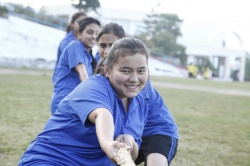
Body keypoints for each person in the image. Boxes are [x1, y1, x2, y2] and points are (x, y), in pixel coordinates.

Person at [18, 38, 149, 166]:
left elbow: (132, 155)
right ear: (108, 70)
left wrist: (130, 142)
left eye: (141, 71)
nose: (134, 78)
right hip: (53, 160)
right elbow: (102, 114)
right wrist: (107, 143)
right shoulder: (94, 86)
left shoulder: (140, 104)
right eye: (125, 71)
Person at [95, 23, 179, 166]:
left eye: (113, 45)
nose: (107, 50)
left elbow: (133, 112)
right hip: (127, 134)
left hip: (155, 131)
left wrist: (128, 137)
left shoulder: (134, 81)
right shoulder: (99, 67)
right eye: (103, 45)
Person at [50, 17, 100, 114]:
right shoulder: (75, 46)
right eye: (90, 32)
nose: (94, 36)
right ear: (79, 34)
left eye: (97, 33)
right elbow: (83, 74)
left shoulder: (89, 56)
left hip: (77, 101)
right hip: (65, 102)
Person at [53, 12, 86, 83]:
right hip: (65, 81)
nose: (82, 24)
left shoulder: (84, 43)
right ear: (72, 23)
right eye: (79, 22)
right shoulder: (66, 42)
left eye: (84, 22)